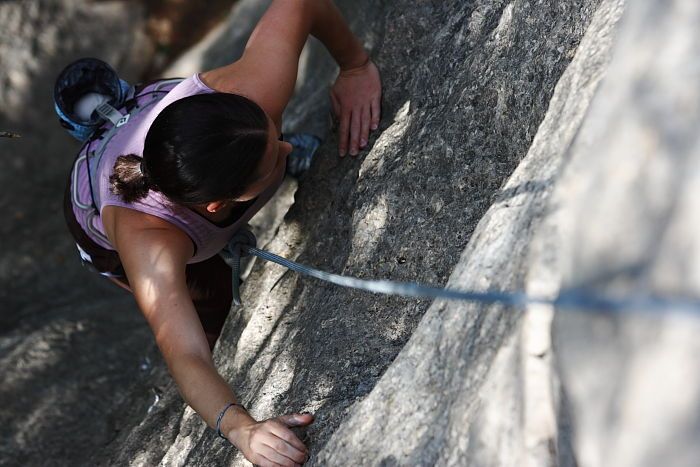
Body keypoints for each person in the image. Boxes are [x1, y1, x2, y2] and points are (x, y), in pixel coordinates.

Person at [62, 1, 382, 465]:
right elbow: (186, 354)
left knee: (253, 143)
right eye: (276, 156)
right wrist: (242, 429)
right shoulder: (150, 243)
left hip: (182, 132)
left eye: (276, 136)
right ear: (219, 205)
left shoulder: (253, 90)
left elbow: (300, 3)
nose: (287, 141)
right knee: (204, 310)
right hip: (100, 215)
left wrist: (355, 66)